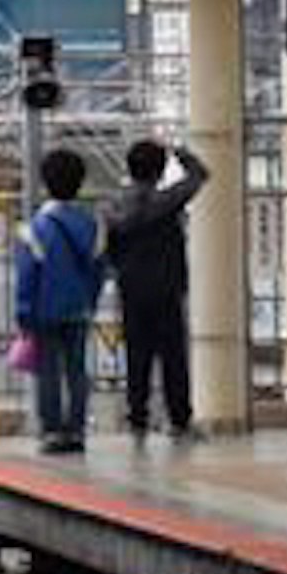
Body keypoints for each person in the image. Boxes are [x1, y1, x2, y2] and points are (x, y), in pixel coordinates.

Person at [103, 138, 211, 440]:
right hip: (166, 287)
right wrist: (179, 150)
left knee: (137, 354)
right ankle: (179, 419)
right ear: (161, 170)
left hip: (130, 288)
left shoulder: (112, 206)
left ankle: (137, 416)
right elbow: (200, 175)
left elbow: (109, 248)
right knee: (173, 356)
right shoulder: (167, 201)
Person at [10, 146, 106, 454]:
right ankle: (76, 430)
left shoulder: (36, 228)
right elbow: (97, 271)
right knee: (77, 370)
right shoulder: (90, 226)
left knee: (48, 372)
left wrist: (24, 313)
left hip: (44, 312)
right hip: (79, 309)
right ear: (80, 182)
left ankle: (52, 430)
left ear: (44, 182)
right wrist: (88, 302)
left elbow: (28, 276)